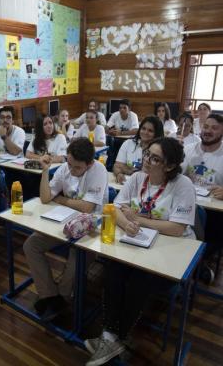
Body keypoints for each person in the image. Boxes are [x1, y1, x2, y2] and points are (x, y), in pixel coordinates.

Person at [85, 137, 196, 366]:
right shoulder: (137, 177)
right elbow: (115, 209)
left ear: (169, 166)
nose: (146, 160)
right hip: (137, 242)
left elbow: (176, 228)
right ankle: (110, 337)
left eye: (155, 158)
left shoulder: (182, 185)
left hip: (170, 249)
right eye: (147, 154)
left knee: (139, 278)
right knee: (114, 269)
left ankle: (115, 336)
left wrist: (138, 219)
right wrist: (126, 224)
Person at [23, 138, 108, 322]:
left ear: (90, 163)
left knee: (77, 255)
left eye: (77, 167)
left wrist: (61, 199)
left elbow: (87, 208)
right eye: (69, 164)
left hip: (92, 228)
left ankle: (62, 297)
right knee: (31, 244)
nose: (71, 170)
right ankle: (50, 295)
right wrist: (45, 171)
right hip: (63, 223)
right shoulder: (65, 167)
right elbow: (45, 198)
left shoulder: (98, 170)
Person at [182, 114, 223, 283]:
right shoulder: (189, 148)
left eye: (214, 128)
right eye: (206, 127)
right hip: (188, 205)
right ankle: (195, 265)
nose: (208, 131)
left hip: (214, 211)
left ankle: (197, 262)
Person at [113, 116, 163, 184]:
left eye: (150, 131)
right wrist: (119, 174)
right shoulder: (128, 143)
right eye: (143, 128)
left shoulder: (160, 150)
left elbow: (154, 173)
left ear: (157, 133)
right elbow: (117, 166)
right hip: (127, 183)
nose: (145, 132)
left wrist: (127, 168)